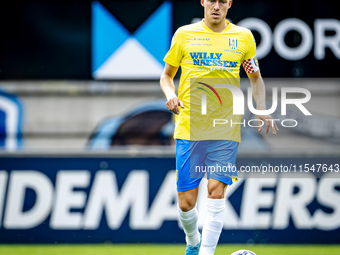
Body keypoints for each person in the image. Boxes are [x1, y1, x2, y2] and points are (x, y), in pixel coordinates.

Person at [160, 0, 278, 254]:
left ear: (230, 4)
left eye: (222, 1)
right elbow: (167, 75)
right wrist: (170, 94)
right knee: (186, 203)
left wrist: (261, 107)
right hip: (190, 127)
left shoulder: (243, 38)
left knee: (215, 193)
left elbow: (255, 77)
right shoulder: (184, 35)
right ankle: (193, 242)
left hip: (225, 128)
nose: (216, 6)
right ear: (203, 2)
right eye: (211, 0)